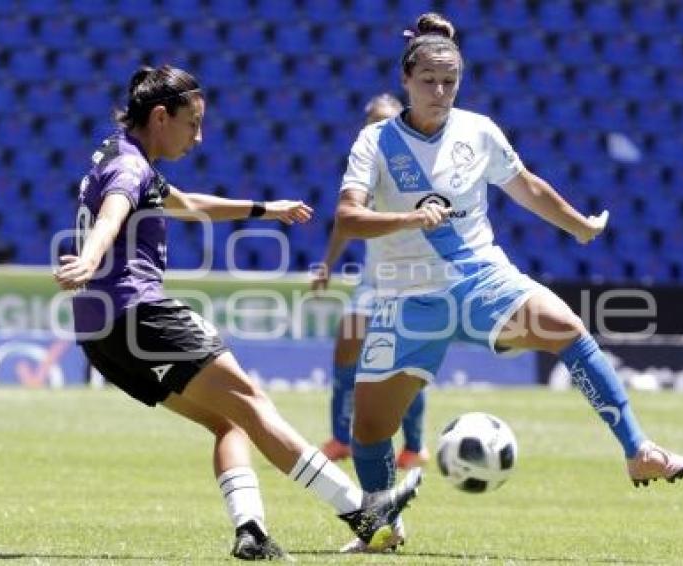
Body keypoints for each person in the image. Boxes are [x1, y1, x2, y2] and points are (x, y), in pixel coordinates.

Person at [334, 13, 683, 550]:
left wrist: (578, 225)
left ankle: (638, 449)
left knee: (567, 329)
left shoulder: (478, 131)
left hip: (480, 279)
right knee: (368, 431)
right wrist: (412, 219)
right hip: (406, 298)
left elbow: (526, 186)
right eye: (429, 81)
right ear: (406, 80)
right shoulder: (376, 141)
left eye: (450, 82)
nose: (440, 92)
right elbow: (347, 218)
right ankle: (383, 527)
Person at [53, 64, 421, 560]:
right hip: (139, 314)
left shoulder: (118, 154)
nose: (199, 138)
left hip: (99, 335)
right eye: (193, 123)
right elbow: (112, 215)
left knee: (231, 422)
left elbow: (184, 204)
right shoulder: (130, 169)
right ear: (161, 116)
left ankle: (251, 531)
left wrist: (264, 209)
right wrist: (93, 257)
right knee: (252, 401)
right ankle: (363, 514)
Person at [312, 93, 429, 470]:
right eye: (372, 121)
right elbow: (346, 221)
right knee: (345, 348)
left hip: (411, 280)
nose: (377, 127)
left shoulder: (416, 168)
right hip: (372, 282)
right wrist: (327, 266)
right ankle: (340, 439)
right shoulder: (362, 166)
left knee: (404, 366)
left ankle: (414, 447)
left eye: (384, 120)